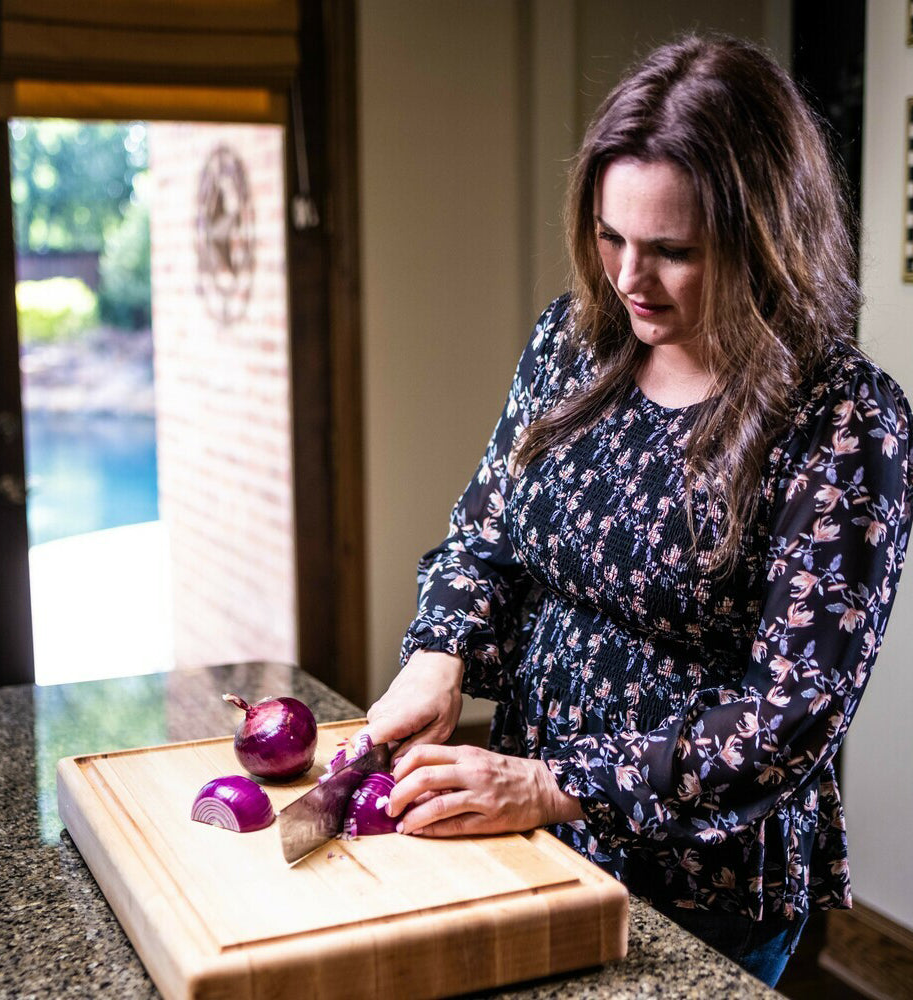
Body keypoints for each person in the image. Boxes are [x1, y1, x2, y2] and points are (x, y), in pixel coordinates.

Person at [363, 34, 912, 988]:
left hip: (700, 880)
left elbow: (787, 717)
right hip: (529, 832)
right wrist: (438, 651)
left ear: (766, 239)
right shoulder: (574, 342)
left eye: (673, 252)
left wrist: (551, 784)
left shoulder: (843, 418)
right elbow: (488, 538)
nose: (627, 279)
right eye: (610, 237)